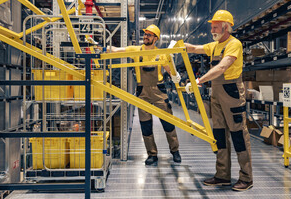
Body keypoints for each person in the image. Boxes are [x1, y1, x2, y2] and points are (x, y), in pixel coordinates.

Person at [184, 10, 253, 191]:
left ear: (226, 27)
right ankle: (222, 175)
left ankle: (246, 178)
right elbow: (195, 48)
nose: (212, 29)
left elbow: (222, 67)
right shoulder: (215, 45)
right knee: (220, 135)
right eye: (212, 26)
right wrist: (180, 46)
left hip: (231, 92)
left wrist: (198, 81)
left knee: (238, 135)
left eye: (215, 26)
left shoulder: (233, 44)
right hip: (216, 92)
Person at [103, 24, 182, 165]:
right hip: (142, 92)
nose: (145, 36)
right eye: (145, 34)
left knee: (168, 123)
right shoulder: (135, 50)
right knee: (146, 125)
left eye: (149, 35)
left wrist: (179, 81)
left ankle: (175, 151)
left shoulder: (162, 53)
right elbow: (117, 50)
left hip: (159, 90)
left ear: (155, 38)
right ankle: (152, 154)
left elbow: (171, 71)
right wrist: (103, 48)